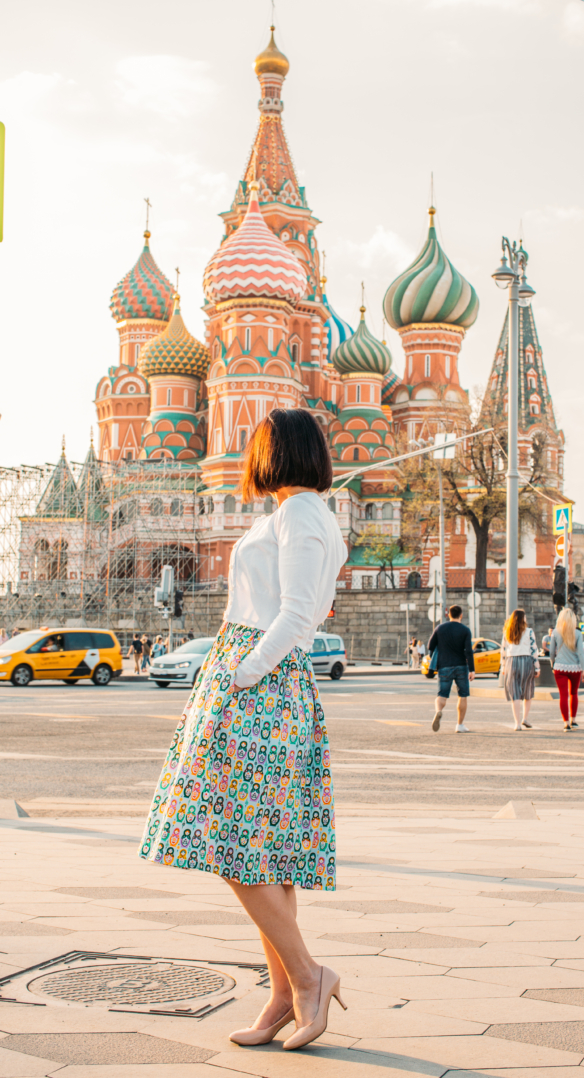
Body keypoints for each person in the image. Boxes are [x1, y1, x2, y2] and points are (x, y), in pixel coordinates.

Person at [139, 409, 347, 1052]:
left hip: (257, 684)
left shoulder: (301, 514)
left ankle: (309, 978)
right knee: (262, 849)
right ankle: (284, 992)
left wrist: (237, 676)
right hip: (258, 680)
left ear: (276, 452)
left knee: (230, 842)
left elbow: (296, 621)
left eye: (256, 445)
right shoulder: (296, 513)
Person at [428, 604, 475, 734]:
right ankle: (459, 725)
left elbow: (430, 646)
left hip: (444, 666)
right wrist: (472, 670)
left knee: (442, 695)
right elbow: (468, 652)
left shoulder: (440, 628)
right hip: (461, 666)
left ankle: (438, 711)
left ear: (448, 614)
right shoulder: (465, 630)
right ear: (461, 615)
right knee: (463, 696)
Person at [501, 608, 540, 730]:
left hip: (511, 661)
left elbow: (503, 650)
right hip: (526, 661)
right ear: (523, 619)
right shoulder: (529, 632)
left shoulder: (507, 632)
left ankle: (517, 723)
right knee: (527, 690)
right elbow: (534, 650)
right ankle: (525, 719)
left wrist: (502, 666)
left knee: (515, 693)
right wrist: (537, 667)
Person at [550, 607, 584, 731]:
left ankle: (566, 723)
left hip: (560, 667)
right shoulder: (578, 634)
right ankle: (573, 719)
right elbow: (581, 653)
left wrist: (552, 664)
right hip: (575, 668)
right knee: (574, 693)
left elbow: (551, 653)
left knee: (563, 695)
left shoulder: (555, 632)